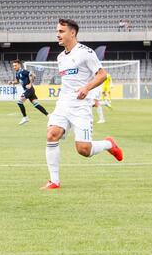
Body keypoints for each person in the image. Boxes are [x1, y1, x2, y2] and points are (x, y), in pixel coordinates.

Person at [42, 18, 123, 190]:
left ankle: (109, 144)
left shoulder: (86, 52)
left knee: (83, 150)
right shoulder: (60, 57)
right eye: (57, 31)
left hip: (81, 107)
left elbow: (102, 75)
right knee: (52, 134)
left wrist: (87, 88)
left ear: (72, 33)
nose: (58, 34)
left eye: (61, 31)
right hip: (63, 104)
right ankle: (54, 181)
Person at [9, 59, 48, 125]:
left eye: (15, 65)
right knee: (36, 104)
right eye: (13, 66)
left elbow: (33, 75)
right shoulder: (17, 73)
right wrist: (12, 82)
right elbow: (18, 81)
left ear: (19, 65)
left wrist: (30, 84)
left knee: (19, 102)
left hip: (29, 90)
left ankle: (25, 118)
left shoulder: (23, 71)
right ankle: (49, 115)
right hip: (29, 90)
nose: (14, 67)